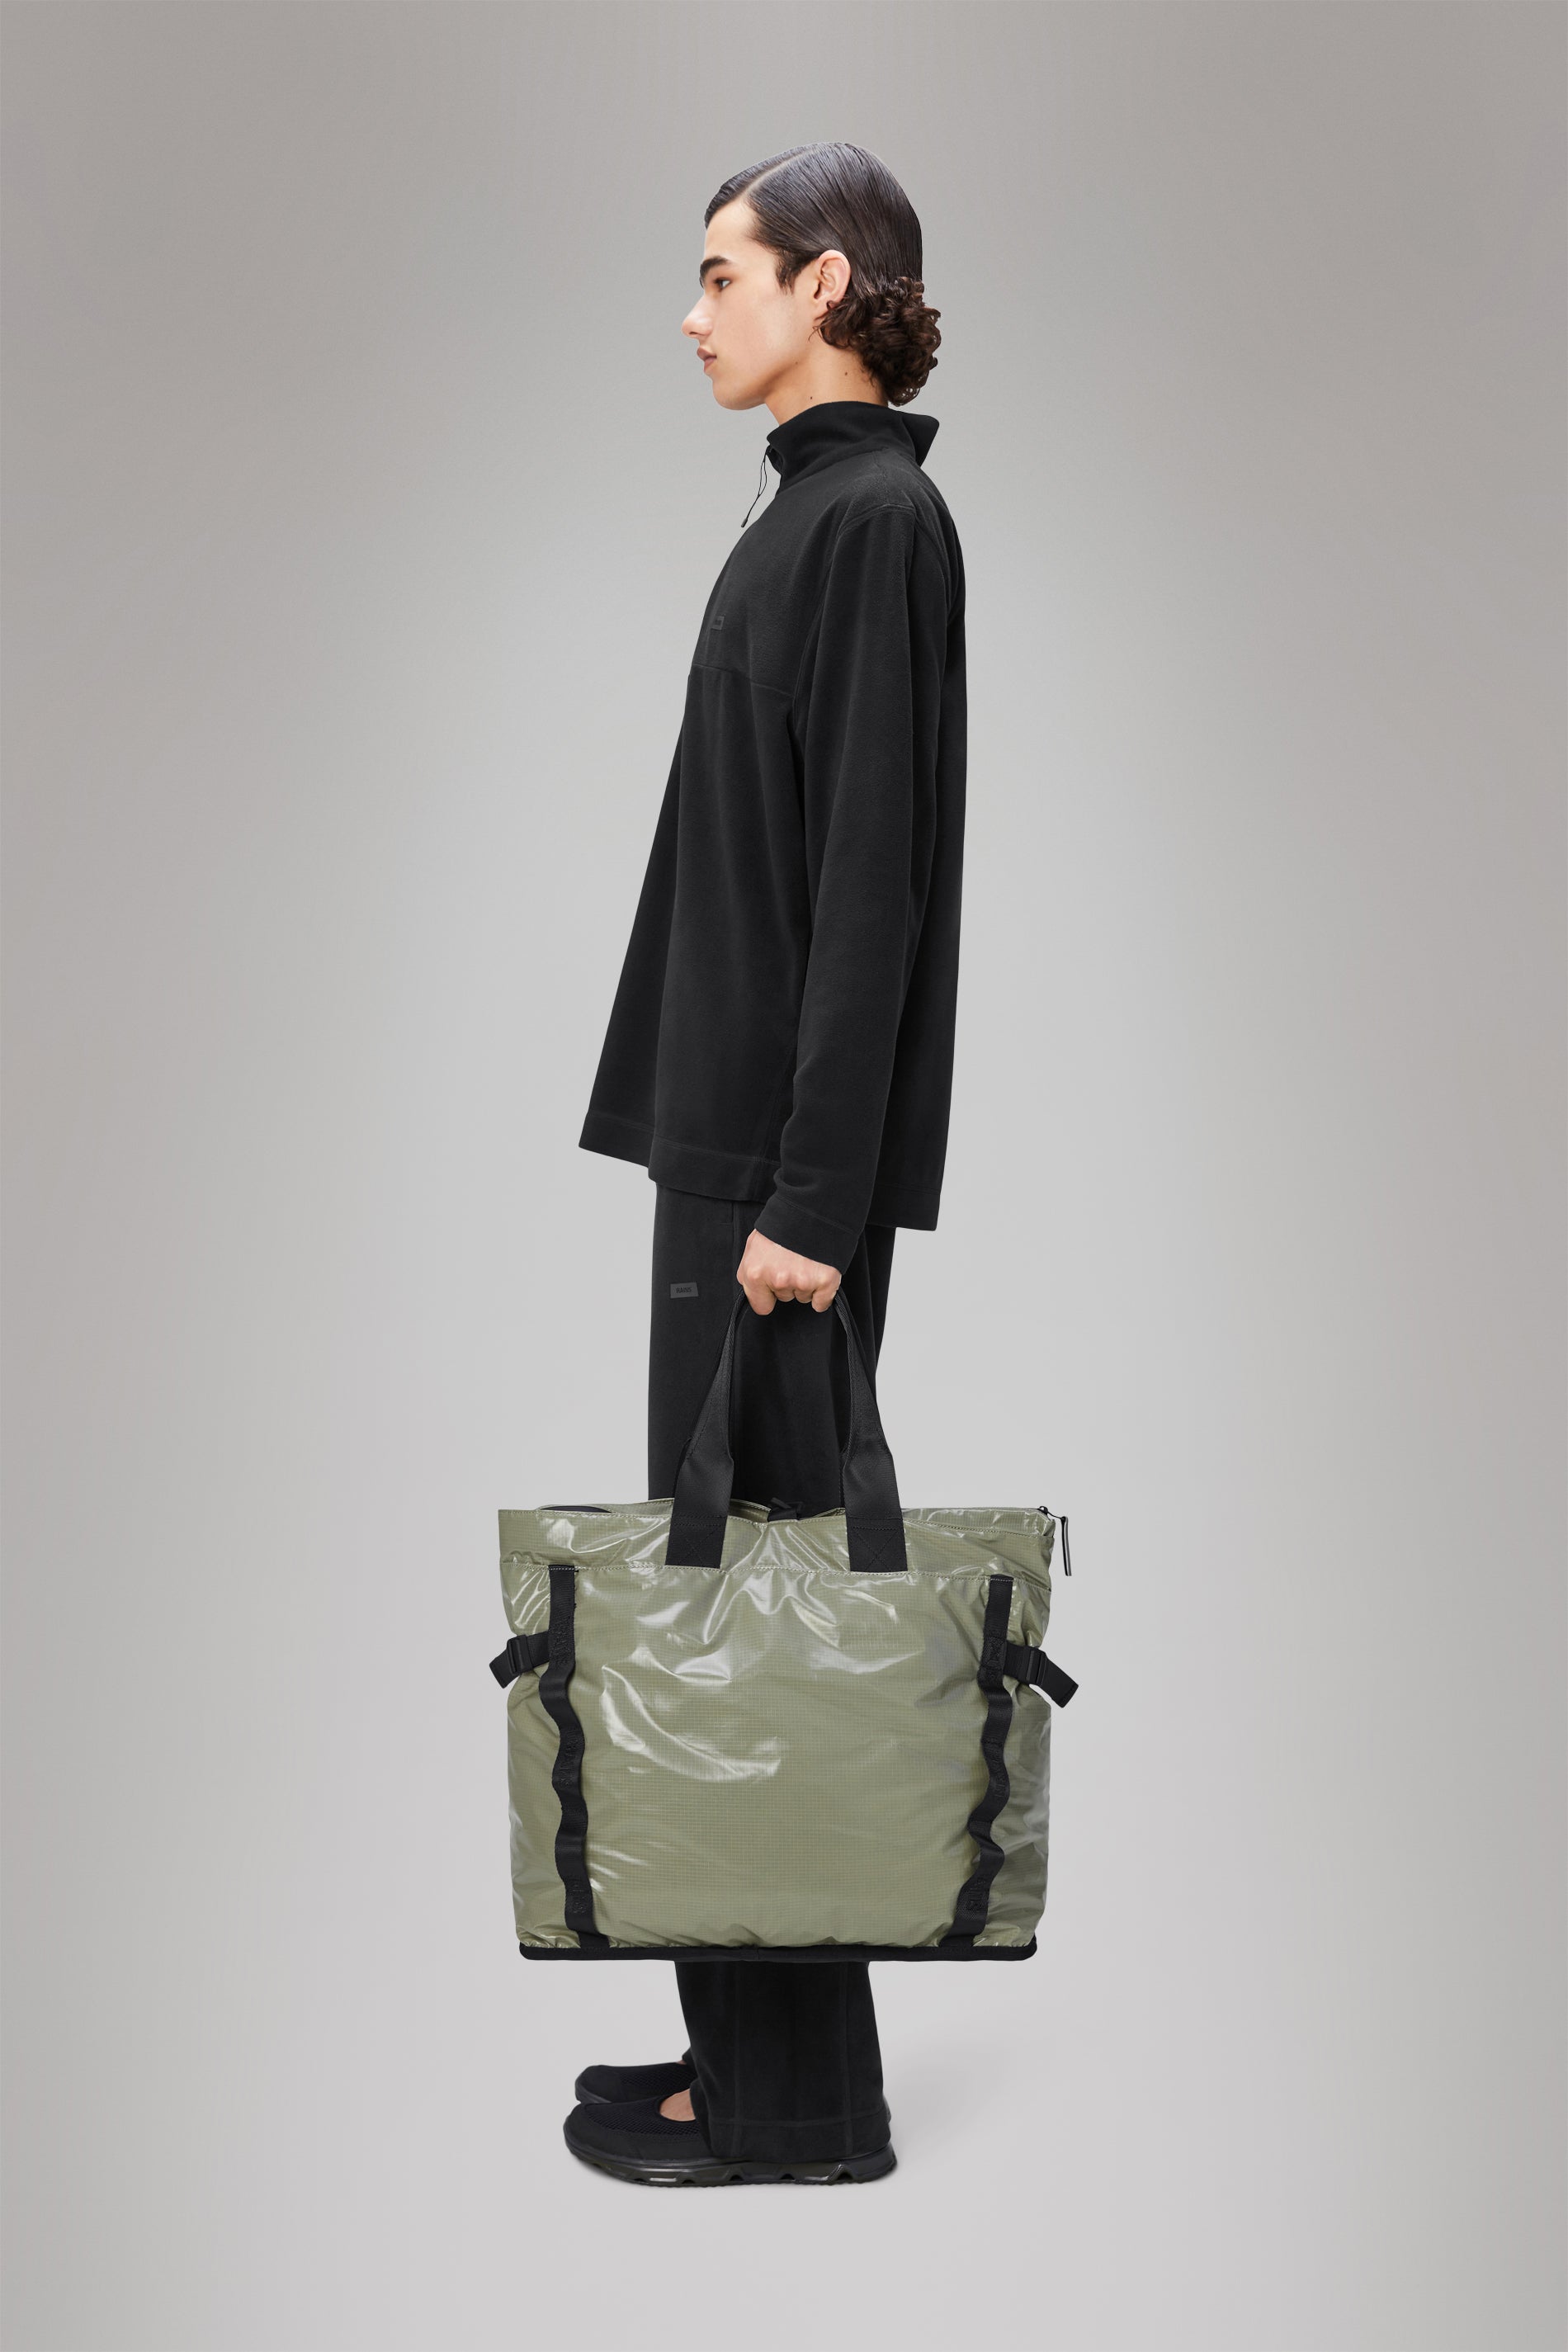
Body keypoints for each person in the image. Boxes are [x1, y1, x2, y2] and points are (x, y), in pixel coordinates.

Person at [562, 141, 966, 2185]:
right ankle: (749, 2054)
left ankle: (794, 2106)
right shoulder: (807, 507)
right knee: (734, 1597)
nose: (692, 310)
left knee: (764, 1609)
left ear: (825, 284)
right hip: (729, 1150)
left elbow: (867, 887)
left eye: (722, 272)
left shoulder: (875, 522)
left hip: (769, 1188)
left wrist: (807, 1208)